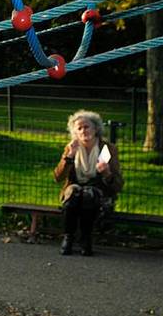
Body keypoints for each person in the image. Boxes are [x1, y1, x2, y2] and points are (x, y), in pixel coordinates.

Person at [53, 110, 123, 256]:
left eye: (87, 127)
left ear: (96, 129)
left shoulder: (106, 149)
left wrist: (107, 173)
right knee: (74, 193)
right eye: (79, 128)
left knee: (88, 195)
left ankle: (86, 239)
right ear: (75, 132)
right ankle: (68, 238)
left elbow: (118, 185)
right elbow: (58, 177)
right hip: (75, 191)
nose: (83, 131)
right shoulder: (71, 148)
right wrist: (69, 158)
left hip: (99, 193)